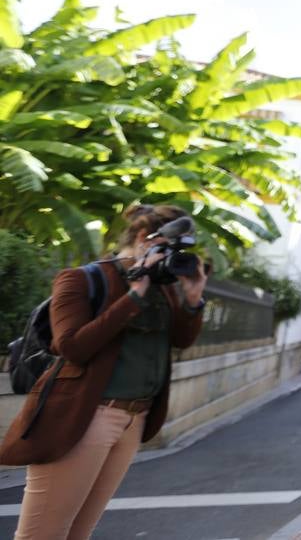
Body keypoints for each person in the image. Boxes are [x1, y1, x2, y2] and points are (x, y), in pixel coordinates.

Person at [0, 203, 208, 540]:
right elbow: (72, 347)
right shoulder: (81, 278)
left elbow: (182, 341)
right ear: (143, 238)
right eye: (170, 247)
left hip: (134, 419)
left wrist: (193, 299)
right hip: (86, 416)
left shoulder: (166, 289)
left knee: (79, 533)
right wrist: (134, 295)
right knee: (43, 534)